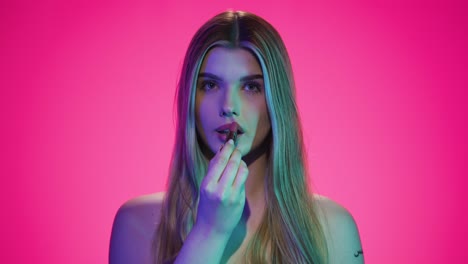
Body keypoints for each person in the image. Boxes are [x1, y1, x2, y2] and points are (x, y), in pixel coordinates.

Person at [109, 10, 364, 264]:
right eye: (210, 85)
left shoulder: (334, 229)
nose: (229, 105)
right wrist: (209, 232)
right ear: (190, 99)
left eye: (251, 86)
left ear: (276, 101)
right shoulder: (137, 224)